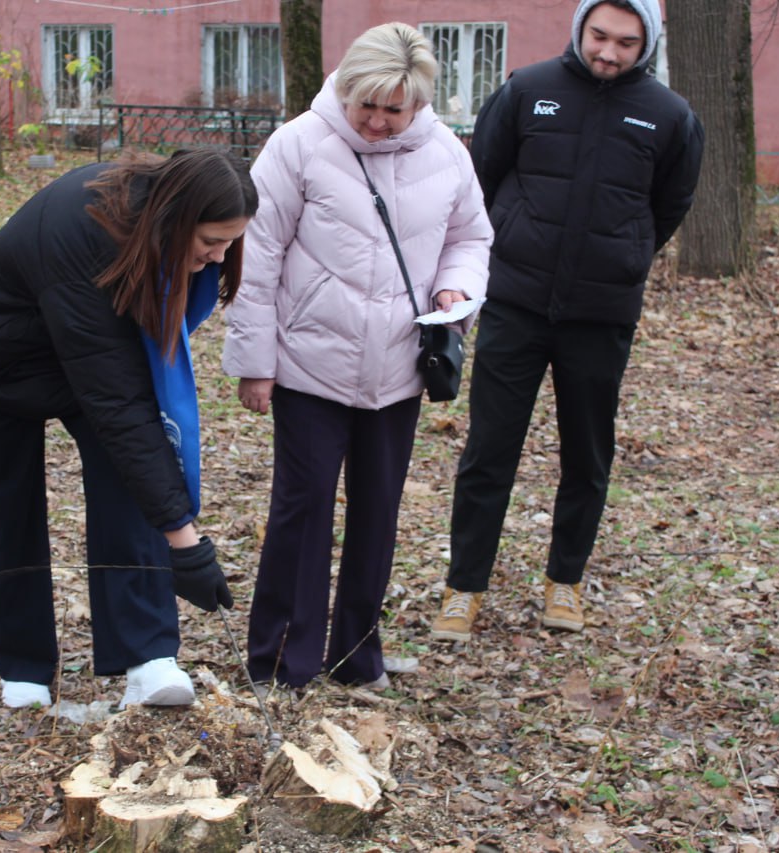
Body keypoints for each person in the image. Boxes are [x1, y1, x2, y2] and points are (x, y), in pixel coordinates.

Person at [0, 149, 254, 711]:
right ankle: (23, 665)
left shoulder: (158, 221)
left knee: (127, 480)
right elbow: (120, 407)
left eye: (231, 243)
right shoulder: (87, 229)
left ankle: (148, 656)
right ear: (176, 218)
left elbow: (126, 408)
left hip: (77, 347)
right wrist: (186, 543)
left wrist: (180, 535)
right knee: (4, 502)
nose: (219, 256)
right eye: (211, 242)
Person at [223, 22, 492, 690]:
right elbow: (254, 259)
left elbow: (471, 237)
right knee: (303, 507)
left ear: (418, 105)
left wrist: (455, 286)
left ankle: (355, 655)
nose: (375, 120)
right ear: (343, 88)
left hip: (397, 369)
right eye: (364, 103)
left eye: (392, 109)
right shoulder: (297, 146)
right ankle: (282, 659)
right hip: (309, 365)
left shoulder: (449, 156)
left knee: (378, 512)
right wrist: (255, 361)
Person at [432, 0, 704, 640]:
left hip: (600, 314)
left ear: (649, 45)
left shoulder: (671, 116)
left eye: (627, 43)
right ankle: (463, 587)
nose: (609, 53)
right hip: (516, 304)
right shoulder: (527, 90)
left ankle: (565, 582)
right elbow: (480, 184)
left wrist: (623, 255)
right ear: (580, 29)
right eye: (600, 36)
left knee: (587, 456)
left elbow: (669, 207)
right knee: (488, 453)